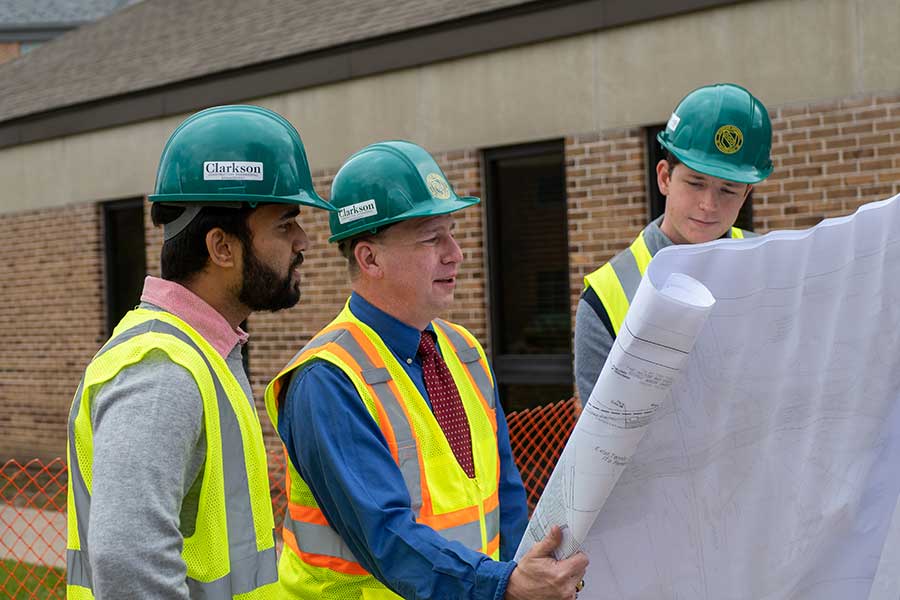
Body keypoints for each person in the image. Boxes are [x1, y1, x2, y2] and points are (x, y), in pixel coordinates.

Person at [264, 140, 589, 599]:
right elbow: (388, 536)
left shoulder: (465, 352)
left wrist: (530, 573)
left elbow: (508, 500)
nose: (455, 252)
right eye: (431, 237)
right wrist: (505, 587)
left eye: (451, 233)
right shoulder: (327, 380)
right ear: (369, 258)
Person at [65, 105, 335, 599]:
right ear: (222, 247)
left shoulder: (203, 355)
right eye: (284, 224)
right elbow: (128, 561)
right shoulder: (161, 371)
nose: (304, 241)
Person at [574, 83, 773, 403]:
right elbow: (601, 438)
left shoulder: (772, 265)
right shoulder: (605, 295)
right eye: (696, 183)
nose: (709, 204)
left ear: (746, 194)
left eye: (728, 190)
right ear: (665, 177)